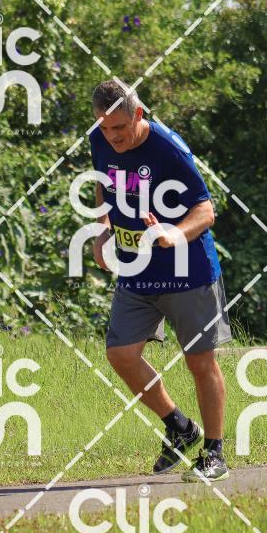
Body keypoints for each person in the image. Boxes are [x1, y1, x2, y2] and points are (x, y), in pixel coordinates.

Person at [88, 80, 231, 481]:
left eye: (120, 127)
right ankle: (179, 427)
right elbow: (102, 183)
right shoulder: (100, 138)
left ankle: (215, 453)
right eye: (104, 128)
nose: (112, 137)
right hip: (137, 269)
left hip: (188, 272)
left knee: (199, 361)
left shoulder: (169, 148)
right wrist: (103, 228)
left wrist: (172, 235)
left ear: (138, 114)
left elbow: (206, 211)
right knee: (121, 354)